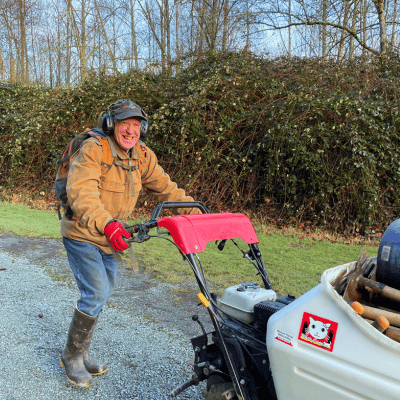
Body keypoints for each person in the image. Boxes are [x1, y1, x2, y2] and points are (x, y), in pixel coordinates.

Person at [59, 99, 198, 387]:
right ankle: (71, 357)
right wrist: (107, 224)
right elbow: (82, 193)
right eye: (125, 124)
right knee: (96, 291)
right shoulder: (94, 149)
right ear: (111, 124)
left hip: (113, 236)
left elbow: (167, 190)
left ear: (142, 130)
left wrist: (198, 213)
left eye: (137, 125)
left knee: (103, 292)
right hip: (83, 232)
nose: (131, 130)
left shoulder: (142, 155)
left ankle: (81, 354)